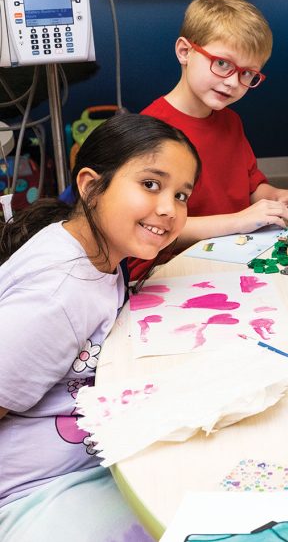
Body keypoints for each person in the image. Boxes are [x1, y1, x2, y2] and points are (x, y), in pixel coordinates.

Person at [0, 113, 200, 539]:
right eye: (150, 184)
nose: (169, 208)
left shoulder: (96, 251)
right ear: (91, 186)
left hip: (89, 451)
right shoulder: (59, 295)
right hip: (36, 493)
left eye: (182, 195)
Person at [130, 0, 288, 280]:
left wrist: (281, 196)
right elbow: (155, 227)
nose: (233, 82)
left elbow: (252, 186)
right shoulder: (152, 133)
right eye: (222, 63)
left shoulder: (231, 122)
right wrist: (237, 222)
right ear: (184, 52)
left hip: (233, 253)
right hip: (169, 269)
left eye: (248, 74)